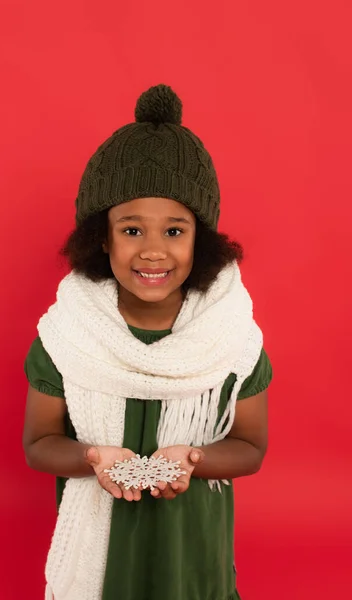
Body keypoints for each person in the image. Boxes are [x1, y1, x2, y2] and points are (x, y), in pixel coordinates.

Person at [23, 84, 272, 600]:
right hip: (104, 560)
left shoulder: (230, 337)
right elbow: (38, 443)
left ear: (201, 239)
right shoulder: (68, 335)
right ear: (102, 237)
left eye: (175, 231)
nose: (154, 252)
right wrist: (94, 457)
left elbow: (250, 447)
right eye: (132, 230)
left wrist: (192, 460)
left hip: (192, 553)